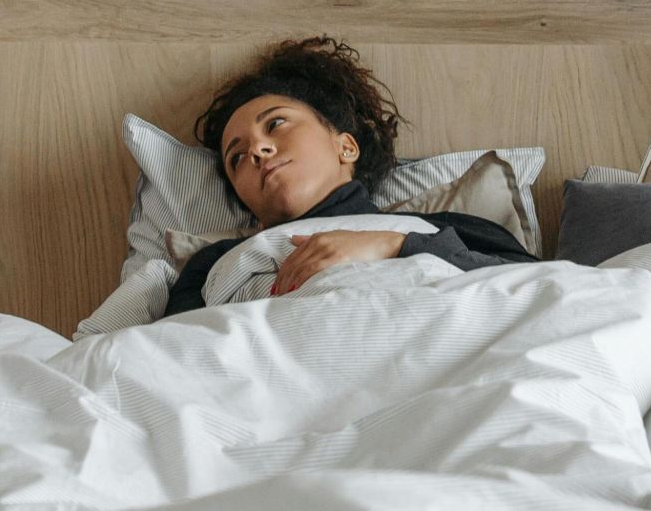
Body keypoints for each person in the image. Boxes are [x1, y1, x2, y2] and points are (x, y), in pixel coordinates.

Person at [165, 37, 534, 316]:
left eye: (275, 124)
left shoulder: (441, 229)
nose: (258, 151)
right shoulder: (213, 264)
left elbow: (538, 288)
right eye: (237, 158)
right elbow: (176, 352)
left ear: (346, 147)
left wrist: (392, 246)